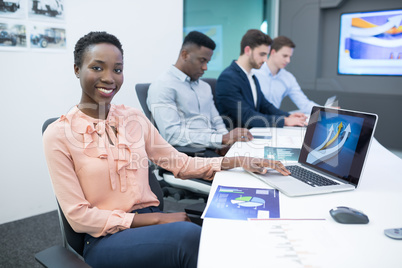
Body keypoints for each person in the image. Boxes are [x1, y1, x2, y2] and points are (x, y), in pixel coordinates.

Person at [43, 31, 291, 268]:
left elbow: (179, 163)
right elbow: (78, 217)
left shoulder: (132, 118)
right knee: (188, 238)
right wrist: (158, 218)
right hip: (105, 239)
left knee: (232, 225)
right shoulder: (59, 134)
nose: (109, 77)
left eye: (117, 69)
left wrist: (237, 160)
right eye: (97, 67)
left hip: (151, 223)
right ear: (77, 69)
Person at [147, 31, 252, 157]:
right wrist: (220, 139)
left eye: (208, 62)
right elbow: (172, 135)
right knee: (242, 171)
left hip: (211, 148)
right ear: (184, 55)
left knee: (252, 157)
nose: (205, 67)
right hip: (188, 154)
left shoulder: (204, 87)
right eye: (202, 61)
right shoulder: (163, 86)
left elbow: (217, 121)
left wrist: (226, 143)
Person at [215, 29, 307, 129]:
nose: (265, 59)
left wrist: (287, 115)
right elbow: (247, 116)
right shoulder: (228, 78)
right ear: (247, 50)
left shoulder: (252, 76)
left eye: (266, 55)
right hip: (236, 139)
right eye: (262, 54)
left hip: (252, 133)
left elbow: (265, 105)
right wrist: (284, 121)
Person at [254, 36, 319, 114]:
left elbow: (304, 104)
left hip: (274, 122)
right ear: (273, 52)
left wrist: (325, 110)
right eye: (285, 56)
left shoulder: (288, 78)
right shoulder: (255, 72)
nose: (288, 60)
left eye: (289, 57)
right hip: (253, 121)